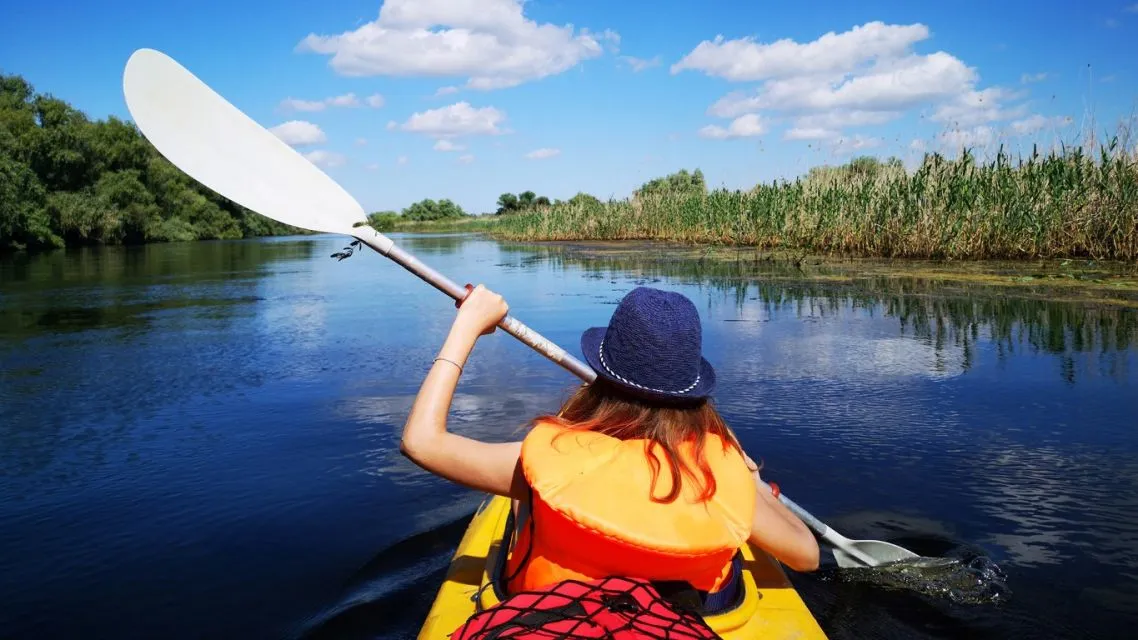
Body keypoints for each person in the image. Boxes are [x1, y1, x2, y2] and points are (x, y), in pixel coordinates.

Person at [400, 284, 819, 602]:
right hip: (691, 620)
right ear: (691, 384)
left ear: (602, 371)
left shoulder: (547, 456)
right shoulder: (720, 471)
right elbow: (806, 555)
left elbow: (422, 442)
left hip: (554, 614)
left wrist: (467, 326)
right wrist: (756, 485)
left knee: (523, 492)